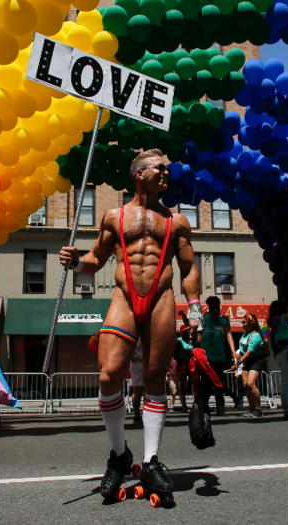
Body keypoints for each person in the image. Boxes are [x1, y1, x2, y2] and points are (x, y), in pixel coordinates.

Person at [58, 149, 201, 501]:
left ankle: (151, 461)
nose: (167, 174)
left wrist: (195, 309)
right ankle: (119, 455)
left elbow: (189, 267)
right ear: (139, 174)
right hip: (123, 296)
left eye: (168, 169)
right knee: (109, 375)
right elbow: (95, 259)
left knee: (154, 379)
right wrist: (76, 262)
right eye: (160, 169)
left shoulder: (177, 221)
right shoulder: (114, 216)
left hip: (161, 297)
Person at [199, 296, 237, 416]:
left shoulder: (223, 323)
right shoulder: (204, 320)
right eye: (214, 314)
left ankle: (220, 407)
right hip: (206, 359)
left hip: (219, 359)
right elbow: (191, 324)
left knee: (219, 384)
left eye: (218, 314)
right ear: (209, 312)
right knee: (206, 384)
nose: (216, 316)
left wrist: (233, 352)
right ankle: (204, 407)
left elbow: (229, 336)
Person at [231, 313, 265, 417]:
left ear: (251, 323)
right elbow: (242, 350)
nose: (242, 324)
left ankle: (258, 410)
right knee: (245, 385)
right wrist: (236, 356)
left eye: (244, 322)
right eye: (242, 322)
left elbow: (250, 352)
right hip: (246, 361)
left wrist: (238, 364)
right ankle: (252, 408)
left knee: (251, 384)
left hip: (256, 360)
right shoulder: (244, 334)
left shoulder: (256, 335)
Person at [173, 326, 193, 412]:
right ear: (183, 332)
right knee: (182, 385)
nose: (188, 333)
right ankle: (183, 405)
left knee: (195, 382)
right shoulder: (178, 341)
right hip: (182, 363)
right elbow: (175, 355)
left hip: (191, 363)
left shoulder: (191, 340)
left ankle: (197, 402)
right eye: (187, 331)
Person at [129, 337, 144, 425]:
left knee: (136, 389)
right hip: (146, 361)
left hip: (134, 362)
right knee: (148, 389)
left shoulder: (132, 333)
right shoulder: (147, 331)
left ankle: (137, 415)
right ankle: (147, 414)